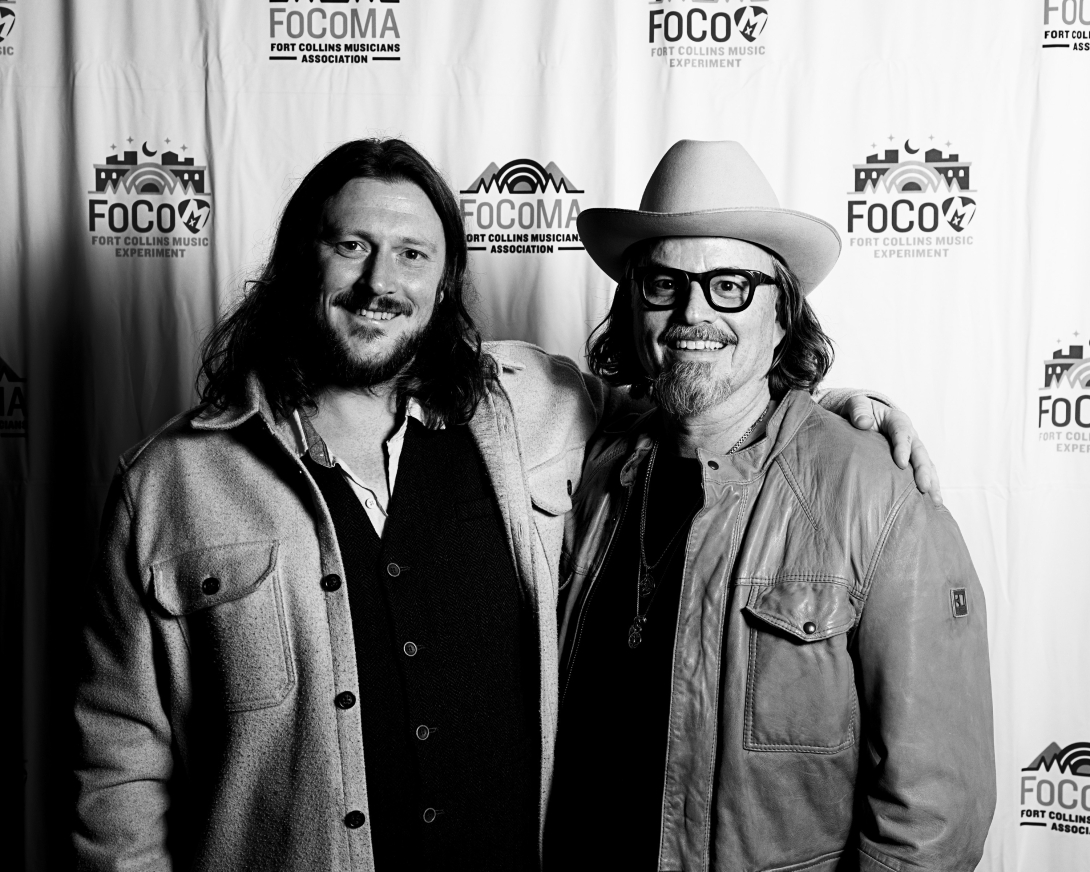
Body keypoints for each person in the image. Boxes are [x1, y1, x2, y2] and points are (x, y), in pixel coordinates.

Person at [73, 138, 938, 871]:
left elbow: (701, 402)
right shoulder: (169, 485)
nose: (381, 281)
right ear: (299, 259)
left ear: (446, 281)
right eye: (352, 245)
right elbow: (118, 772)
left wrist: (825, 413)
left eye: (413, 254)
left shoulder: (527, 410)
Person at [546, 139, 995, 871]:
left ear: (783, 315)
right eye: (663, 284)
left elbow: (932, 822)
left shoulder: (877, 496)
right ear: (633, 308)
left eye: (729, 285)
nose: (692, 312)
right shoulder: (588, 466)